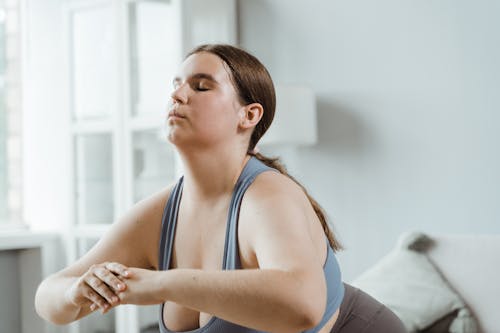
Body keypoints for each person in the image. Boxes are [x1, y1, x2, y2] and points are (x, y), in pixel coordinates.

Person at [35, 44, 406, 333]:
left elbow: (303, 303)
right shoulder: (159, 215)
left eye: (201, 86)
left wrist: (162, 284)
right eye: (176, 85)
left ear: (249, 115)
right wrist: (76, 291)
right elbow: (47, 297)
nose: (178, 95)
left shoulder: (268, 196)